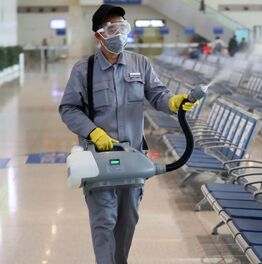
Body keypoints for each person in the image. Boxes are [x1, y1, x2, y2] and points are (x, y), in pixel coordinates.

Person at [58, 4, 198, 264]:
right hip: (99, 162)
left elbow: (158, 95)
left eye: (123, 27)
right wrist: (93, 131)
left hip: (133, 161)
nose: (120, 33)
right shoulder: (83, 70)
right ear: (99, 35)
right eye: (113, 28)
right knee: (104, 223)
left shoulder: (140, 63)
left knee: (127, 222)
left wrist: (173, 102)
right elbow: (68, 108)